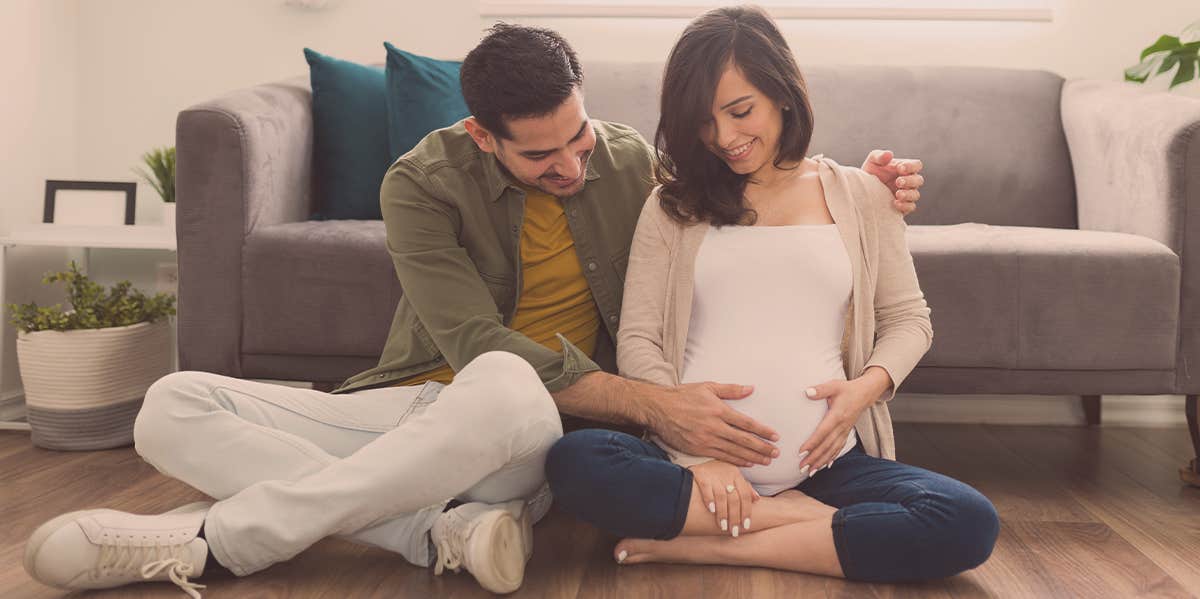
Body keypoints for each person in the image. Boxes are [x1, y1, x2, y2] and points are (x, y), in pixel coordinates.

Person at [22, 21, 928, 597]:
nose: (573, 165)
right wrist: (657, 405)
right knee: (170, 402)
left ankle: (216, 543)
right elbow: (466, 339)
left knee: (504, 382)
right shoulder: (418, 184)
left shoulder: (627, 165)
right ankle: (429, 529)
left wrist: (870, 182)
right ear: (479, 136)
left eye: (578, 135)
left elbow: (751, 183)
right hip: (420, 403)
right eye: (541, 156)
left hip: (529, 432)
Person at [545, 5, 998, 583]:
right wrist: (697, 454)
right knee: (576, 464)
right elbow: (639, 339)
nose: (725, 138)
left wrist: (863, 391)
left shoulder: (863, 195)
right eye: (704, 123)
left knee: (966, 521)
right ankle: (795, 525)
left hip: (827, 466)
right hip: (688, 466)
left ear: (782, 93)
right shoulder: (670, 206)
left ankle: (719, 543)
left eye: (740, 111)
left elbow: (909, 319)